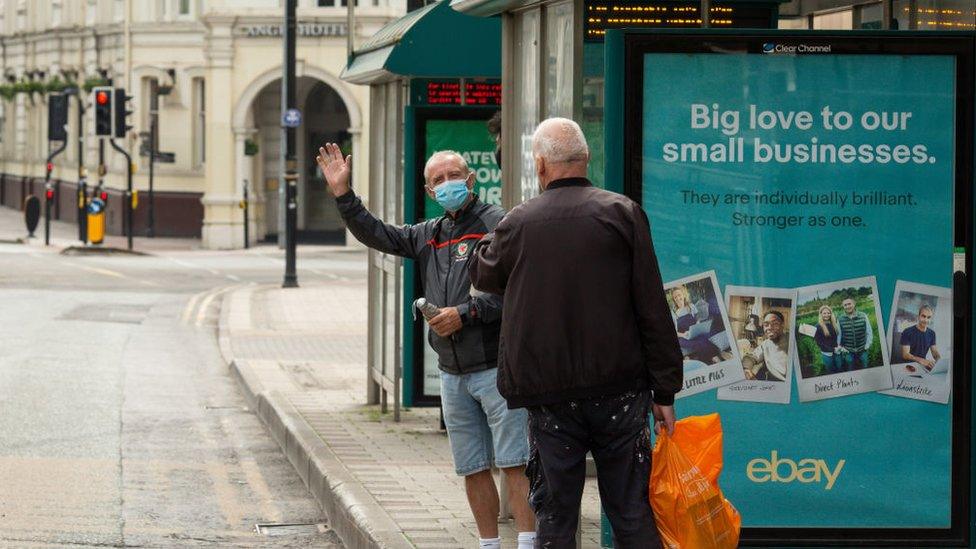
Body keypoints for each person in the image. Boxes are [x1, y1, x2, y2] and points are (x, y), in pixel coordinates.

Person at [468, 117, 683, 549]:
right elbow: (652, 307)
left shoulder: (518, 223)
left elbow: (482, 272)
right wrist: (664, 392)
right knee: (631, 512)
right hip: (620, 391)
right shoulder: (622, 213)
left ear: (541, 166)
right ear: (585, 160)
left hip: (550, 398)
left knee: (557, 515)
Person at [316, 143, 535, 549]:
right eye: (439, 180)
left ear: (471, 180)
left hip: (495, 367)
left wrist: (465, 313)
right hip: (453, 374)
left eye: (455, 175)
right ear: (430, 191)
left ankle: (526, 543)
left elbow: (516, 294)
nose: (448, 183)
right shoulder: (430, 234)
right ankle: (489, 544)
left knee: (515, 462)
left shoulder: (497, 225)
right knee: (472, 467)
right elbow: (379, 233)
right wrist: (343, 195)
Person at [669, 285, 722, 364]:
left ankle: (707, 360)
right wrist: (684, 335)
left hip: (694, 333)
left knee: (704, 338)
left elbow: (697, 320)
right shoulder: (674, 314)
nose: (677, 298)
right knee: (700, 343)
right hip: (683, 338)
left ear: (683, 295)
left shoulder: (691, 306)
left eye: (679, 295)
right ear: (674, 299)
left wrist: (697, 326)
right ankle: (714, 358)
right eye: (675, 297)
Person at [748, 311, 789, 381]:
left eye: (775, 324)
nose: (770, 327)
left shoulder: (791, 341)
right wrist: (746, 369)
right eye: (766, 324)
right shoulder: (766, 344)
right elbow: (751, 357)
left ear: (782, 325)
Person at [899, 304, 941, 370]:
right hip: (908, 366)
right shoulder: (907, 332)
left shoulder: (932, 333)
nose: (926, 320)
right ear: (918, 316)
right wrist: (921, 360)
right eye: (923, 316)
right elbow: (905, 354)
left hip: (922, 366)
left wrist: (940, 362)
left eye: (928, 317)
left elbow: (934, 352)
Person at [837, 297, 873, 370]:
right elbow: (839, 335)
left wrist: (867, 345)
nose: (847, 306)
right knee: (850, 369)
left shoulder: (863, 316)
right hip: (848, 350)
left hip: (863, 349)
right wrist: (841, 347)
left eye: (849, 304)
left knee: (865, 368)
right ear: (843, 307)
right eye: (845, 305)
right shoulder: (840, 319)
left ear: (854, 304)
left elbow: (869, 332)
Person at [814, 305, 842, 374]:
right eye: (824, 313)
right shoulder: (817, 326)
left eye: (828, 313)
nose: (827, 315)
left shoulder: (834, 324)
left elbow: (839, 336)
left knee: (840, 368)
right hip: (827, 353)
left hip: (837, 351)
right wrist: (832, 349)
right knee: (831, 371)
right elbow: (819, 343)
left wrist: (839, 346)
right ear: (821, 314)